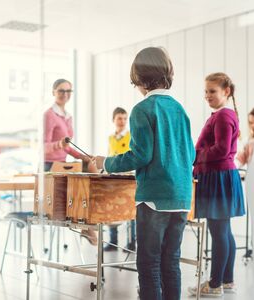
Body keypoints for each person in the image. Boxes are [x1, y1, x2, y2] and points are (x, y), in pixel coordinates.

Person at [94, 47, 195, 300]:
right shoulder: (180, 109)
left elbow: (140, 155)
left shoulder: (142, 109)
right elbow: (190, 155)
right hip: (182, 197)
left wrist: (105, 162)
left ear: (140, 77)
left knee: (148, 265)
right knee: (170, 262)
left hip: (154, 199)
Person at [189, 72, 245, 297]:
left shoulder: (222, 116)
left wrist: (196, 155)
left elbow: (221, 150)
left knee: (219, 232)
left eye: (212, 91)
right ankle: (226, 280)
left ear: (226, 92)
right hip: (221, 177)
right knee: (224, 231)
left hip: (218, 178)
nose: (207, 95)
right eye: (206, 91)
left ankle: (214, 285)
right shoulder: (222, 115)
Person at [43, 78, 97, 245]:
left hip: (64, 164)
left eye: (68, 91)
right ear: (53, 92)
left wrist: (84, 156)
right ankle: (87, 224)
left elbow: (67, 147)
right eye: (61, 91)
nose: (65, 94)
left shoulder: (67, 117)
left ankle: (89, 219)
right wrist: (59, 144)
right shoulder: (48, 115)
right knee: (82, 182)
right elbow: (43, 147)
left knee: (91, 167)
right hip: (50, 166)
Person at [103, 107, 137, 252]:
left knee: (130, 208)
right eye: (119, 118)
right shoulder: (110, 137)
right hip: (113, 175)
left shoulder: (131, 135)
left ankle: (131, 242)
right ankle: (113, 241)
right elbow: (110, 154)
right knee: (112, 207)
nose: (122, 121)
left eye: (124, 118)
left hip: (128, 175)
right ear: (113, 120)